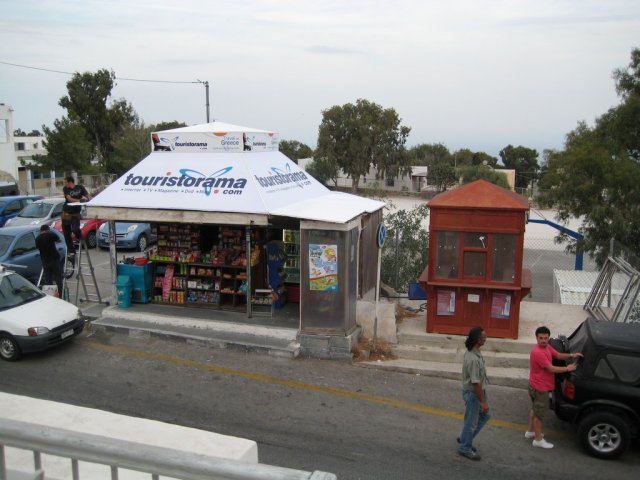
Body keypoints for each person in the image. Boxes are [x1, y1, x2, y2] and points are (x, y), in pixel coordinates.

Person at [526, 326, 583, 449]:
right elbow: (551, 369)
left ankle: (530, 432)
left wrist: (572, 355)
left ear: (548, 338)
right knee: (539, 415)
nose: (543, 340)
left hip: (535, 385)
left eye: (545, 338)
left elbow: (557, 355)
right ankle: (538, 440)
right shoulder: (538, 352)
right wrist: (568, 368)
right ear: (536, 338)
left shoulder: (547, 347)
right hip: (540, 388)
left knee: (535, 409)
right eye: (541, 338)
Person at [458, 326, 490, 461]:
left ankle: (465, 438)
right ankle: (465, 447)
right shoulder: (473, 359)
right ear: (478, 340)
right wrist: (483, 401)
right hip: (474, 393)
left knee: (481, 417)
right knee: (473, 422)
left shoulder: (474, 352)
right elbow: (475, 383)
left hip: (478, 391)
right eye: (484, 337)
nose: (486, 339)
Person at [62, 176, 91, 259]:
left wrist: (91, 200)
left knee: (75, 229)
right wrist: (79, 200)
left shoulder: (80, 188)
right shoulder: (66, 189)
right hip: (66, 213)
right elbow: (69, 199)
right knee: (66, 234)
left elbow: (88, 196)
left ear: (70, 182)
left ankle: (80, 238)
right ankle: (72, 251)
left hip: (75, 214)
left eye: (65, 182)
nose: (64, 184)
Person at [35, 225, 63, 297]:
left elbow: (37, 248)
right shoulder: (51, 235)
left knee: (48, 279)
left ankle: (50, 295)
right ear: (47, 229)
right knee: (58, 278)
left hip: (45, 261)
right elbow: (59, 240)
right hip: (54, 259)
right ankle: (60, 294)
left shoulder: (37, 238)